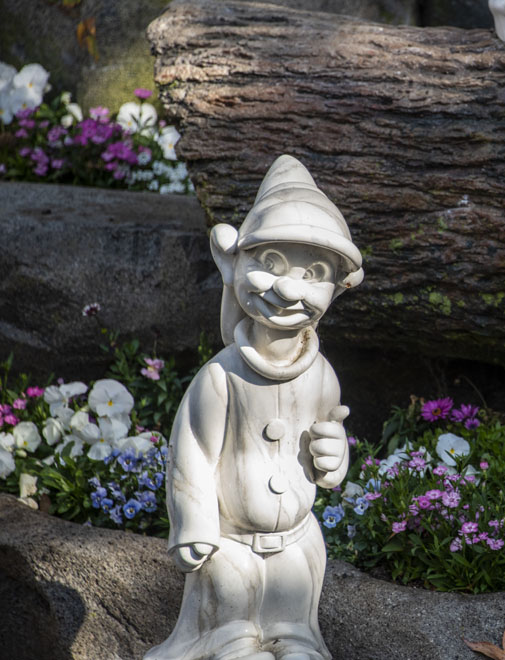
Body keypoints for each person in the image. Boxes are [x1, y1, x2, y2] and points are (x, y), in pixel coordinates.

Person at [146, 155, 363, 660]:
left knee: (296, 642)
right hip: (230, 549)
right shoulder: (221, 377)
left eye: (313, 273)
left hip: (297, 550)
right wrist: (194, 524)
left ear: (339, 286)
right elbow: (193, 452)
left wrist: (334, 457)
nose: (287, 288)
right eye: (269, 264)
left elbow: (326, 445)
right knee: (232, 643)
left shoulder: (322, 376)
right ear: (230, 261)